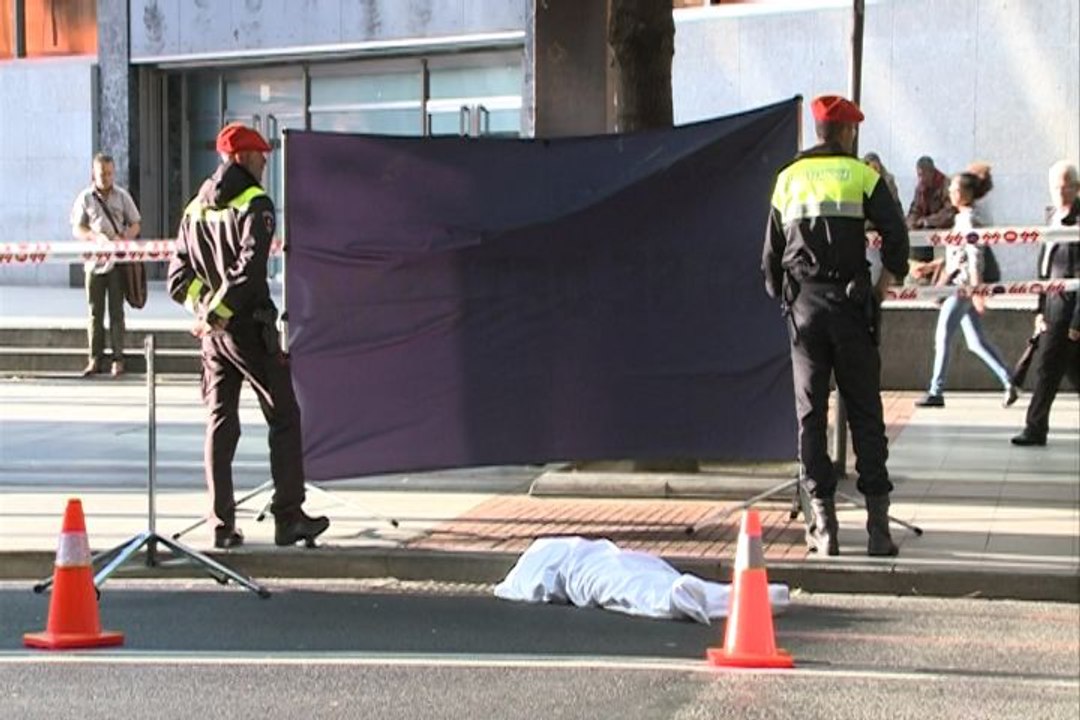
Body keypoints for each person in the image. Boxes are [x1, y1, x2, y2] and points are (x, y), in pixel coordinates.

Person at [167, 122, 330, 549]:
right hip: (248, 330)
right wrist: (220, 312)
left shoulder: (193, 208)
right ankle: (289, 516)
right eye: (260, 155)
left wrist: (206, 312)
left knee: (221, 426)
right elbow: (249, 270)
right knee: (285, 417)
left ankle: (222, 525)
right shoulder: (256, 205)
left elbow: (178, 278)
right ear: (241, 157)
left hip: (214, 339)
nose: (265, 162)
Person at [763, 94, 910, 557]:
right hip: (851, 306)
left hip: (805, 311)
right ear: (846, 133)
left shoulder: (786, 179)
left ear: (817, 131)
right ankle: (878, 532)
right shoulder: (863, 175)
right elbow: (897, 233)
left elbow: (769, 261)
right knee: (866, 414)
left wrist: (786, 299)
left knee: (810, 417)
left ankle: (823, 531)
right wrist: (888, 278)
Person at [914, 172, 1017, 409]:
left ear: (967, 194)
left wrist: (976, 289)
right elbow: (956, 256)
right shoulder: (962, 218)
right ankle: (1009, 379)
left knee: (943, 336)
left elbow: (974, 255)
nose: (950, 192)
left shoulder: (969, 220)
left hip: (962, 288)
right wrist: (932, 266)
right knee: (975, 341)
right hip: (962, 285)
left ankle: (936, 391)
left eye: (954, 189)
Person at [1011, 161, 1080, 446]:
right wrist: (1039, 310)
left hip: (1069, 310)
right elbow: (1043, 269)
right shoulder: (1052, 220)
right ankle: (1036, 427)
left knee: (1047, 369)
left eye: (1065, 186)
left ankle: (1035, 428)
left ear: (1076, 188)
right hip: (1051, 306)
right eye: (1055, 186)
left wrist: (1077, 321)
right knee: (1072, 369)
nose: (1060, 191)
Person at [70, 153, 142, 377]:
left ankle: (118, 359)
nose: (106, 177)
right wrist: (93, 236)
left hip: (116, 264)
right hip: (93, 264)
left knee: (116, 312)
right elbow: (77, 228)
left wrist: (124, 237)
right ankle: (94, 358)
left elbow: (136, 224)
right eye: (102, 173)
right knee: (94, 312)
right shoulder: (85, 198)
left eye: (110, 173)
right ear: (94, 173)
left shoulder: (122, 196)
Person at [906, 155, 956, 273]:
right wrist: (911, 223)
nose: (921, 178)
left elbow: (950, 212)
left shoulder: (945, 184)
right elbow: (915, 209)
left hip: (944, 231)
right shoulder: (920, 188)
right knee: (911, 243)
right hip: (924, 233)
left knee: (940, 254)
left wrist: (928, 221)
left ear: (931, 172)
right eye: (919, 175)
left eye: (923, 174)